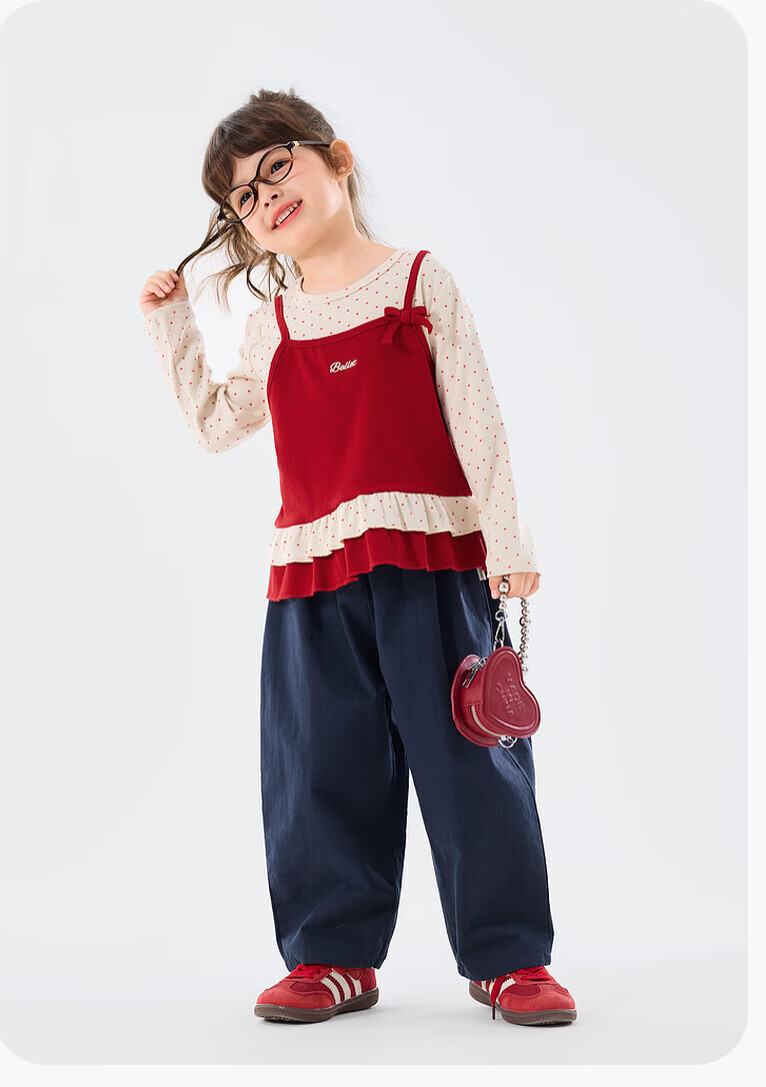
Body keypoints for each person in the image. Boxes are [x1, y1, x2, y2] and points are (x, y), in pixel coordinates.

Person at [138, 88, 576, 1027]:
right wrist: (172, 325)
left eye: (276, 169)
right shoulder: (275, 321)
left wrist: (508, 540)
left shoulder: (419, 282)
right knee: (317, 765)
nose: (265, 198)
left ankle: (510, 956)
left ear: (335, 159)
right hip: (312, 581)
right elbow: (218, 424)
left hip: (433, 564)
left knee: (471, 758)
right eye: (243, 197)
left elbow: (477, 414)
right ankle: (331, 955)